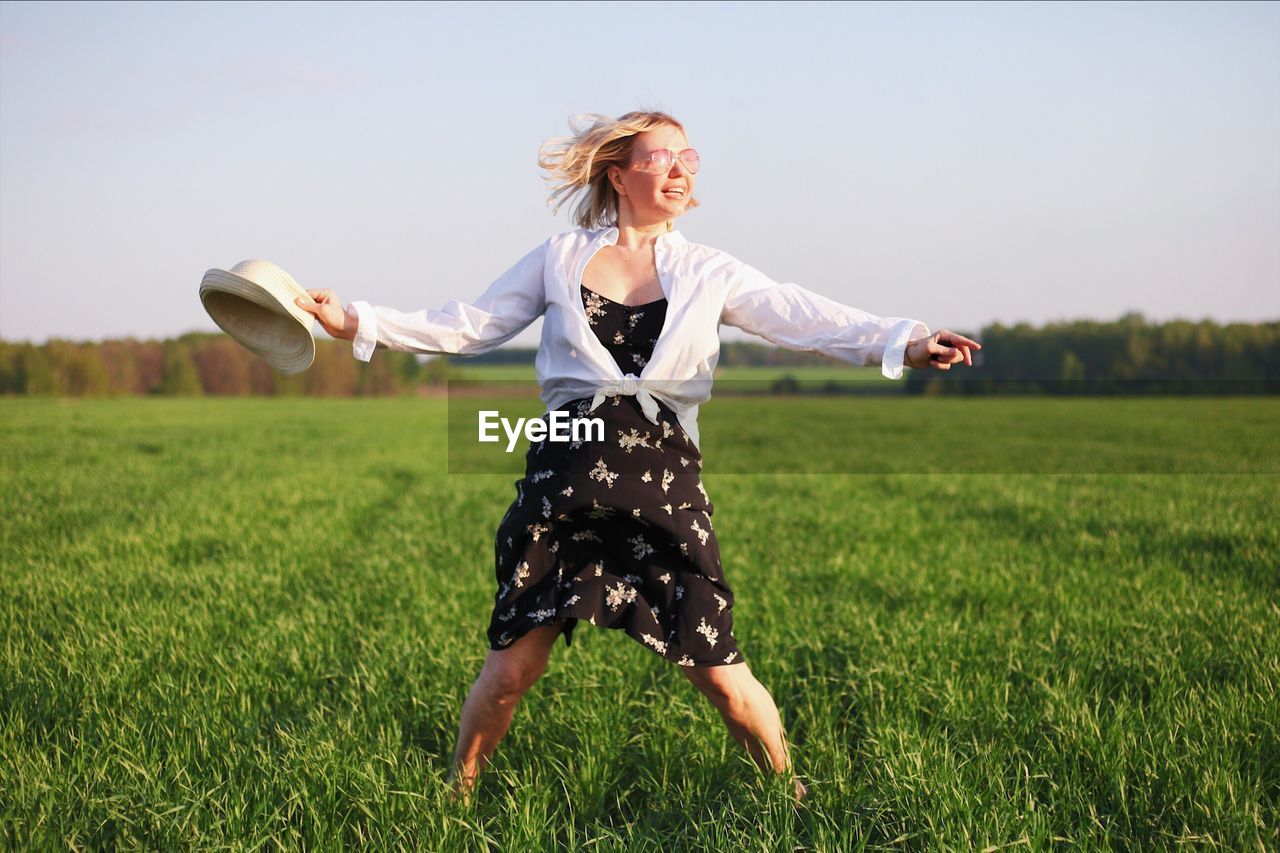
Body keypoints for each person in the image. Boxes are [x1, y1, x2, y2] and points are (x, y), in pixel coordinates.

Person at [295, 109, 981, 804]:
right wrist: (353, 319)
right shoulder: (558, 257)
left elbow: (803, 315)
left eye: (689, 158)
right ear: (620, 175)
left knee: (718, 669)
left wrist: (907, 339)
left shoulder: (708, 269)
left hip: (662, 486)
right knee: (509, 670)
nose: (681, 170)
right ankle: (456, 794)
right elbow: (469, 327)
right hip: (563, 487)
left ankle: (789, 797)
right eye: (663, 159)